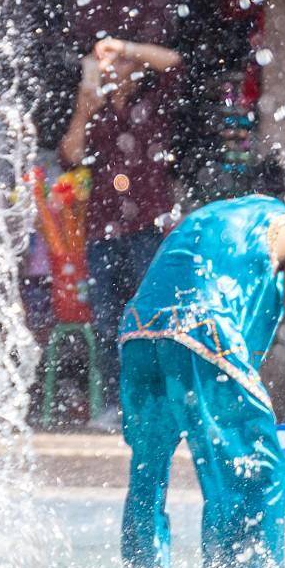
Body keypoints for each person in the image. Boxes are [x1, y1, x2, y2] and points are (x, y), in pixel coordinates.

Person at [118, 148, 285, 568]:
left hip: (137, 333)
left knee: (148, 471)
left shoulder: (211, 212)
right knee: (256, 474)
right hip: (201, 330)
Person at [61, 34, 184, 409]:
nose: (114, 69)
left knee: (151, 316)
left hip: (146, 225)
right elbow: (71, 156)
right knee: (107, 321)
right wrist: (83, 109)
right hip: (102, 229)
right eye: (108, 65)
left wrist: (125, 48)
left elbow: (174, 61)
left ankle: (157, 400)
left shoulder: (151, 103)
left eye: (123, 64)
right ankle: (118, 403)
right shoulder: (94, 109)